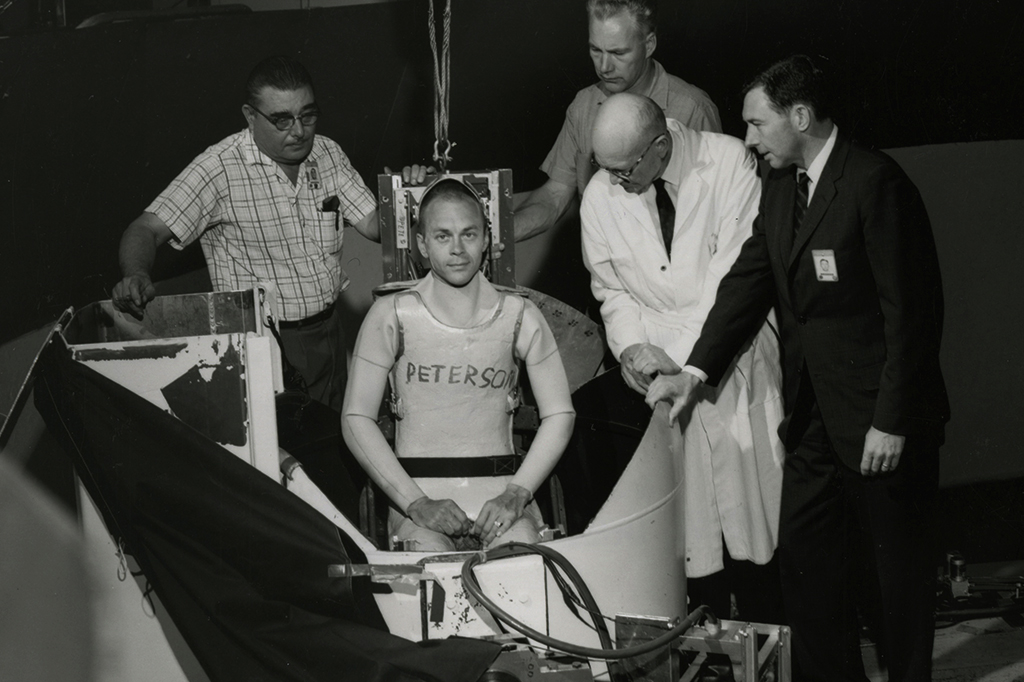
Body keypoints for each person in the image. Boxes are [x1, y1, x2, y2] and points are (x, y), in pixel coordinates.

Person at [647, 55, 949, 682]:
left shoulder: (875, 183)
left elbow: (913, 318)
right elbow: (750, 281)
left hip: (880, 427)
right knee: (808, 576)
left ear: (801, 116)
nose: (749, 139)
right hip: (811, 422)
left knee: (894, 588)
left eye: (758, 124)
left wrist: (891, 421)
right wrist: (696, 369)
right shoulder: (782, 188)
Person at [111, 56, 421, 413]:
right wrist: (136, 273)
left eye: (308, 115)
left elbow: (372, 224)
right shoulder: (219, 168)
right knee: (282, 457)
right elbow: (145, 228)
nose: (299, 131)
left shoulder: (328, 153)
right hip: (264, 343)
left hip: (329, 332)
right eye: (281, 119)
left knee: (336, 443)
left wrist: (412, 197)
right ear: (250, 115)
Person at [581, 93, 785, 623]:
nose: (616, 182)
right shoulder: (603, 193)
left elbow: (735, 281)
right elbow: (611, 289)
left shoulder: (729, 163)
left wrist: (674, 354)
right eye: (607, 170)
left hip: (732, 361)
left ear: (660, 146)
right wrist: (630, 349)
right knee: (691, 541)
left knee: (756, 526)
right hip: (660, 381)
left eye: (625, 170)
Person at [341, 178, 575, 552]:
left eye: (469, 234)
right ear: (421, 244)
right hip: (419, 502)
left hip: (501, 501)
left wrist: (517, 494)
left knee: (520, 569)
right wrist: (415, 503)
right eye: (442, 236)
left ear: (486, 239)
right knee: (431, 572)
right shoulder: (392, 314)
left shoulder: (519, 313)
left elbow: (561, 413)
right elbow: (356, 418)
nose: (457, 249)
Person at [513, 0, 722, 242]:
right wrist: (496, 235)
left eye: (618, 53)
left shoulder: (694, 109)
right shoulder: (583, 106)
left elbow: (716, 215)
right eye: (595, 50)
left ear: (649, 44)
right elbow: (555, 195)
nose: (604, 67)